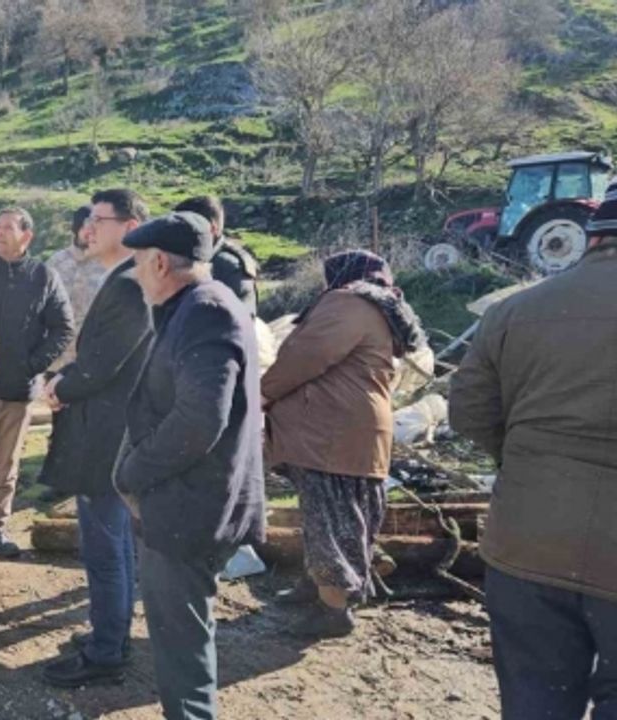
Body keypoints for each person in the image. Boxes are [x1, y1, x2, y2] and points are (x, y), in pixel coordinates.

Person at [449, 184, 617, 720]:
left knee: (536, 702)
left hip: (526, 540)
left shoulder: (514, 310)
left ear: (591, 236)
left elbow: (468, 414)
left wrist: (527, 463)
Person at [114, 212, 265, 720]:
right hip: (194, 502)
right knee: (185, 634)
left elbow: (200, 420)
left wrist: (133, 473)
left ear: (159, 262)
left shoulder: (204, 312)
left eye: (137, 264)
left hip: (190, 509)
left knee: (182, 648)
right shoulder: (205, 304)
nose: (135, 275)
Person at [261, 250, 425, 638]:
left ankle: (333, 608)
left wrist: (262, 394)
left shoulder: (347, 303)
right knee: (346, 516)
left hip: (330, 430)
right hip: (355, 429)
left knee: (329, 516)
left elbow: (304, 357)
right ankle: (320, 587)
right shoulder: (384, 310)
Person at [40, 189, 152, 687]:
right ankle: (112, 634)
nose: (88, 229)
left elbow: (107, 363)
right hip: (111, 427)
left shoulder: (130, 284)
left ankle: (107, 651)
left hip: (108, 433)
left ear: (128, 227)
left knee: (104, 547)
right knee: (116, 540)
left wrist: (64, 385)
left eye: (98, 220)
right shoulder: (129, 277)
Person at [0, 207, 74, 559]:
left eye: (8, 228)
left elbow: (62, 327)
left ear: (27, 236)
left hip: (19, 389)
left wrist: (33, 366)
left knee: (6, 466)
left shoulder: (43, 276)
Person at [173, 195, 260, 317]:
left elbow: (240, 323)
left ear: (212, 229)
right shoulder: (181, 258)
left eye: (186, 228)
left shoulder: (230, 268)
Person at [46, 205, 107, 369]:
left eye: (95, 229)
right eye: (85, 228)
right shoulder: (55, 263)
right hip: (54, 360)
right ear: (76, 228)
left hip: (91, 360)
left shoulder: (108, 265)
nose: (90, 234)